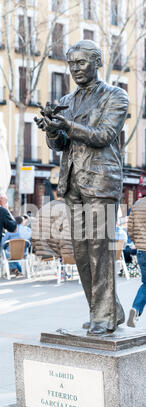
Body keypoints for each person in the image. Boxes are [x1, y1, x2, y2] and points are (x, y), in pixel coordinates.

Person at [36, 40, 129, 334]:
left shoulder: (115, 96)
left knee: (99, 250)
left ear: (97, 62)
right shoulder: (67, 100)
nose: (75, 68)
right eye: (72, 63)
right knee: (80, 252)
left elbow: (103, 135)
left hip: (101, 182)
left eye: (82, 62)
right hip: (73, 183)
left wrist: (67, 125)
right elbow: (62, 145)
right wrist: (53, 131)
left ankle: (103, 315)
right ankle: (106, 310)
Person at [127, 197, 146, 327]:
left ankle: (136, 308)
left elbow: (130, 228)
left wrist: (137, 242)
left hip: (141, 250)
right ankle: (136, 308)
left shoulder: (137, 204)